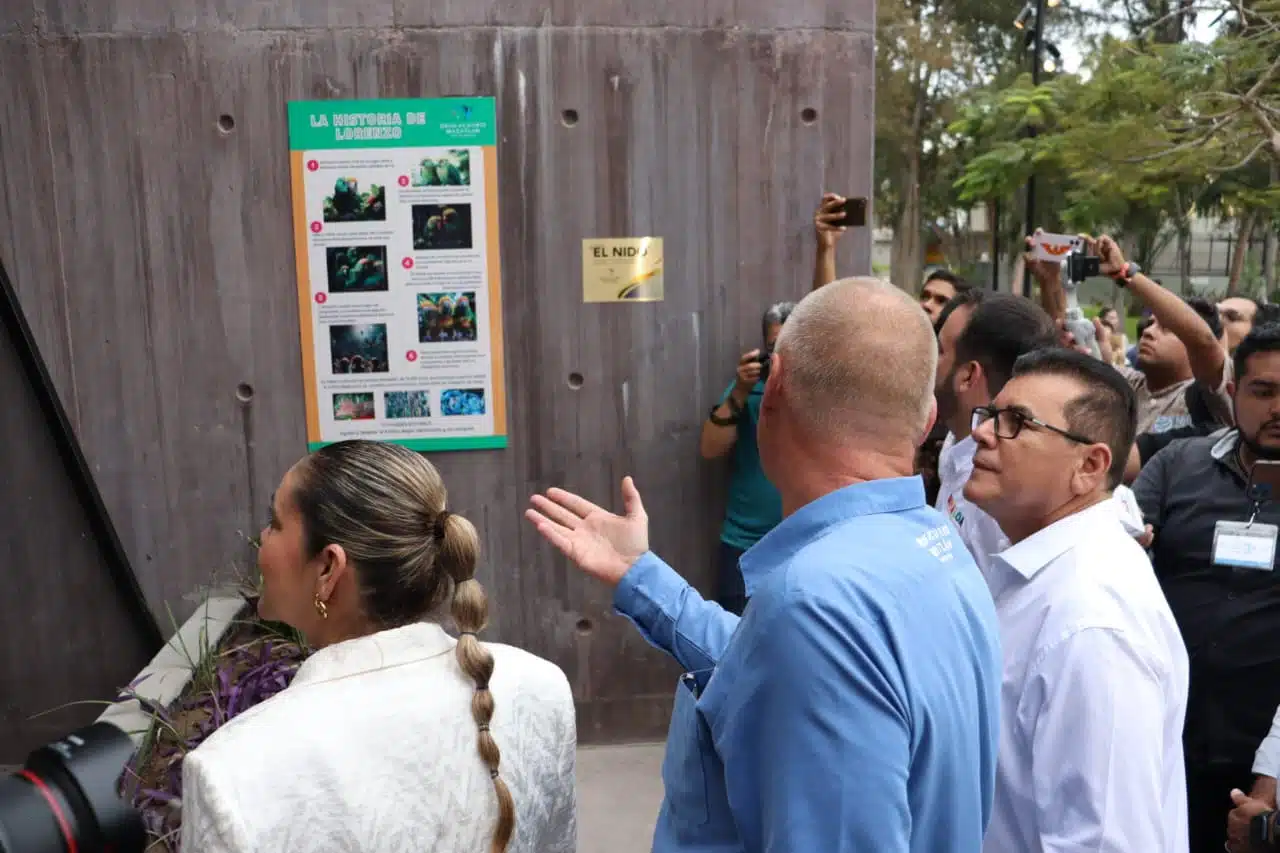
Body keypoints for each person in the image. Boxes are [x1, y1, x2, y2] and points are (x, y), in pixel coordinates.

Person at [527, 278, 1002, 852]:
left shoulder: (818, 603)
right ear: (926, 419)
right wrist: (640, 575)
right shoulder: (937, 550)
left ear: (773, 388)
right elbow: (763, 662)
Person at [180, 441, 576, 853]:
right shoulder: (541, 687)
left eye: (274, 522)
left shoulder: (232, 774)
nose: (261, 538)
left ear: (329, 569)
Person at [964, 348, 1190, 853]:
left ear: (1090, 465)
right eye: (991, 414)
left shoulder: (1091, 618)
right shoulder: (1046, 573)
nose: (982, 432)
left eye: (1016, 422)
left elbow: (1106, 841)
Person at [1134, 323, 1280, 852]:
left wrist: (1272, 780)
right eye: (1264, 391)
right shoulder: (1179, 464)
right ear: (1234, 391)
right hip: (1159, 739)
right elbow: (1121, 534)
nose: (1277, 408)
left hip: (1258, 761)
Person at [932, 289, 1059, 576]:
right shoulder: (957, 442)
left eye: (939, 351)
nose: (928, 362)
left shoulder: (1001, 502)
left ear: (968, 376)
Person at [698, 302, 794, 615]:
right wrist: (740, 392)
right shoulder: (749, 390)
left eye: (789, 346)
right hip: (746, 543)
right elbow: (709, 448)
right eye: (772, 347)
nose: (780, 355)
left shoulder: (819, 391)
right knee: (734, 642)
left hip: (803, 542)